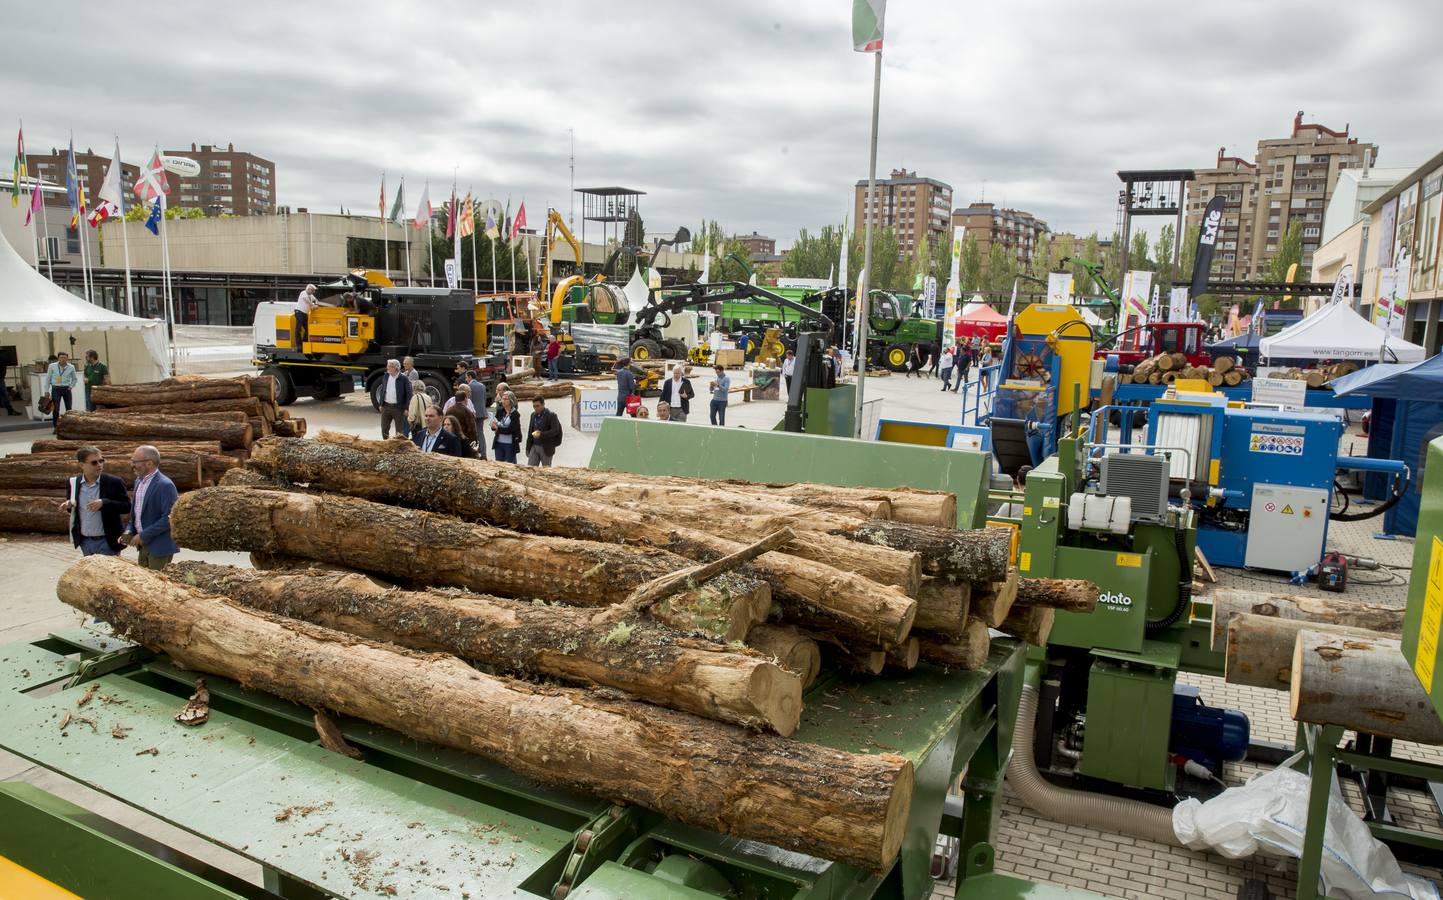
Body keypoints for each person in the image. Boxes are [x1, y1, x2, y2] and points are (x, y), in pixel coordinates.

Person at [60, 446, 128, 557]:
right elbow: (74, 507)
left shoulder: (114, 482)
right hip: (85, 542)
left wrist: (104, 503)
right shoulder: (73, 483)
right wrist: (69, 505)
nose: (99, 465)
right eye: (94, 462)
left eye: (101, 461)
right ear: (82, 465)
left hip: (107, 542)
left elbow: (126, 506)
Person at [123, 445, 178, 570]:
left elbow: (169, 519)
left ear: (149, 463)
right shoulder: (138, 482)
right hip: (143, 546)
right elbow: (135, 514)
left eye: (135, 462)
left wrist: (143, 535)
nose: (132, 465)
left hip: (160, 548)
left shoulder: (165, 485)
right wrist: (129, 531)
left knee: (158, 586)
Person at [378, 359, 412, 440]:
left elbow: (408, 394)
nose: (387, 368)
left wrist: (407, 408)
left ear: (395, 368)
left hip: (398, 408)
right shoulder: (386, 376)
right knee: (384, 429)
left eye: (389, 366)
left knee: (399, 431)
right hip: (386, 406)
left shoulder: (404, 378)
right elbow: (383, 390)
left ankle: (398, 447)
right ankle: (386, 444)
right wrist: (381, 404)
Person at [44, 351, 78, 429]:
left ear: (67, 358)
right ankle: (56, 427)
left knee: (69, 408)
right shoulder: (52, 366)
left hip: (66, 389)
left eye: (64, 357)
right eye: (61, 357)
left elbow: (74, 379)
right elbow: (48, 378)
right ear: (58, 358)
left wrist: (71, 386)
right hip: (56, 388)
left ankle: (69, 427)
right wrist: (46, 390)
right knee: (56, 408)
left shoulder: (71, 367)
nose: (63, 359)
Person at [526, 397, 562, 467]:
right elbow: (530, 432)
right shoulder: (533, 415)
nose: (535, 408)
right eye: (534, 406)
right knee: (530, 469)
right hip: (534, 446)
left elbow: (555, 431)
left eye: (537, 406)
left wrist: (541, 434)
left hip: (546, 448)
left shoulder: (551, 415)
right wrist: (528, 448)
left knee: (546, 471)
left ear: (543, 405)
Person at [491, 393, 522, 462]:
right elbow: (494, 425)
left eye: (506, 399)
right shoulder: (500, 411)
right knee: (499, 464)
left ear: (511, 401)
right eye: (502, 399)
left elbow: (510, 430)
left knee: (510, 465)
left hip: (510, 444)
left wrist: (497, 429)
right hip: (499, 443)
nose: (503, 401)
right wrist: (493, 426)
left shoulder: (515, 414)